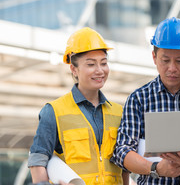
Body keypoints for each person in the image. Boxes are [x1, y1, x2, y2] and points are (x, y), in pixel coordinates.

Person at [111, 17, 180, 184]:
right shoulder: (138, 99)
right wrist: (155, 168)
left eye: (179, 61)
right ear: (154, 57)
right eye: (165, 60)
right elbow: (122, 151)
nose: (172, 68)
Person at [28, 27, 129, 185]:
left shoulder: (119, 112)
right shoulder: (54, 111)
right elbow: (38, 161)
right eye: (91, 64)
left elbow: (124, 168)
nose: (100, 70)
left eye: (104, 63)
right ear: (74, 69)